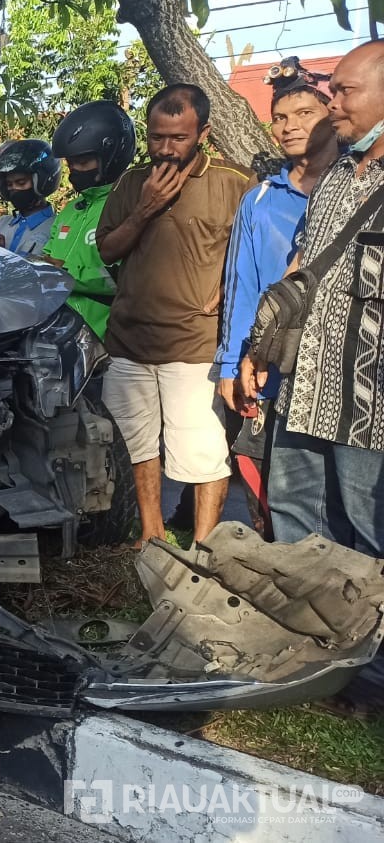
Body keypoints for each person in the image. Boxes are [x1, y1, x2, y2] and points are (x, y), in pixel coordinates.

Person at [96, 83, 256, 546]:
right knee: (136, 446)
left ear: (203, 133)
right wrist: (144, 208)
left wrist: (231, 282)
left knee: (203, 453)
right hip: (128, 343)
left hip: (195, 345)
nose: (165, 149)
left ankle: (204, 548)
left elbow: (262, 254)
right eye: (156, 137)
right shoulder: (131, 184)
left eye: (178, 138)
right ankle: (152, 534)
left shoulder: (235, 182)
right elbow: (108, 250)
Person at [246, 40, 384, 557]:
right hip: (304, 392)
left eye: (346, 92)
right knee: (296, 522)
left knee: (371, 533)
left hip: (371, 407)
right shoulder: (336, 177)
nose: (335, 105)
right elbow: (301, 267)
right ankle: (315, 634)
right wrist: (257, 350)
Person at [215, 59, 340, 536]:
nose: (290, 128)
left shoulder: (360, 187)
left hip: (342, 361)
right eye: (281, 118)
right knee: (274, 486)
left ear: (332, 116)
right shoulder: (262, 198)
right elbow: (242, 285)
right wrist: (231, 364)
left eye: (305, 114)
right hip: (270, 362)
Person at [43, 101, 138, 339]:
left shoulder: (130, 207)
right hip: (57, 338)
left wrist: (65, 276)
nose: (74, 171)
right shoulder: (70, 210)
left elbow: (127, 280)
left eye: (83, 162)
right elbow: (47, 260)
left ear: (112, 155)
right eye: (70, 163)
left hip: (106, 343)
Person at [0, 140, 61, 257]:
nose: (14, 189)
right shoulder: (1, 224)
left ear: (41, 182)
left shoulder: (56, 227)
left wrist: (4, 257)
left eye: (21, 182)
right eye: (9, 184)